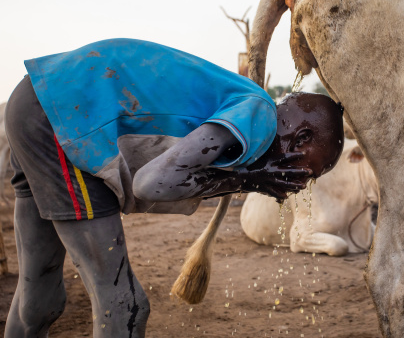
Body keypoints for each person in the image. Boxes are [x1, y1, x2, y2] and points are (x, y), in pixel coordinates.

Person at [4, 38, 344, 337]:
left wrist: (247, 179)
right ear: (301, 138)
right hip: (65, 118)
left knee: (39, 301)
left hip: (41, 97)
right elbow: (150, 184)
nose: (299, 185)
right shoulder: (261, 115)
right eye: (307, 172)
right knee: (125, 307)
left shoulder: (244, 109)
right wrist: (251, 179)